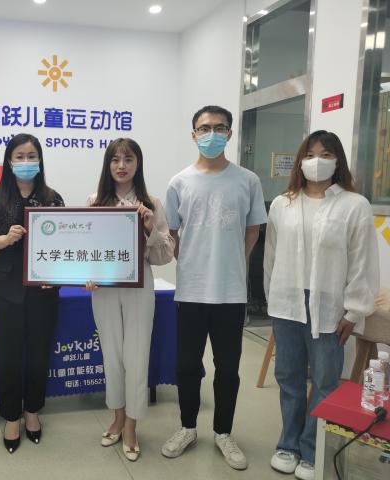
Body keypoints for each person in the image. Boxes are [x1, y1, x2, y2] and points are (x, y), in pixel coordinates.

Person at [264, 131, 379, 480]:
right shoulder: (282, 203)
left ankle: (313, 449)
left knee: (326, 380)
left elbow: (362, 262)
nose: (317, 161)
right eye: (310, 154)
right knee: (289, 378)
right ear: (301, 160)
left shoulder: (354, 205)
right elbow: (272, 256)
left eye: (326, 154)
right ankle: (288, 445)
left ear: (338, 160)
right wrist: (273, 299)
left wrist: (354, 311)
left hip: (330, 306)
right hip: (287, 303)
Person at [162, 105, 267, 470]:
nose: (211, 134)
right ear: (193, 135)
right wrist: (194, 261)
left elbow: (253, 229)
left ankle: (223, 432)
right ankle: (188, 428)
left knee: (227, 367)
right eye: (204, 128)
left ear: (230, 134)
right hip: (190, 291)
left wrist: (232, 262)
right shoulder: (179, 182)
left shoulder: (247, 181)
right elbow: (171, 233)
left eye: (219, 127)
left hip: (230, 293)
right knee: (187, 366)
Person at [0, 133, 64, 453]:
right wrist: (4, 239)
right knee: (8, 356)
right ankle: (12, 416)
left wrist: (58, 276)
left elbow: (65, 244)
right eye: (20, 156)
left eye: (31, 156)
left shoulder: (53, 198)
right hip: (6, 289)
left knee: (39, 354)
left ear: (40, 160)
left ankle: (33, 412)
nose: (26, 162)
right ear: (9, 161)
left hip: (44, 290)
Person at [85, 138, 174, 462]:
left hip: (139, 286)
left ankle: (132, 426)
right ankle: (117, 417)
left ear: (138, 163)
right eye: (115, 159)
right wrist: (87, 275)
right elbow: (86, 250)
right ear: (107, 165)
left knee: (136, 356)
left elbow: (165, 254)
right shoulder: (95, 202)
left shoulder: (151, 202)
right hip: (105, 288)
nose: (121, 166)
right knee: (111, 355)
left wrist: (149, 228)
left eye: (129, 159)